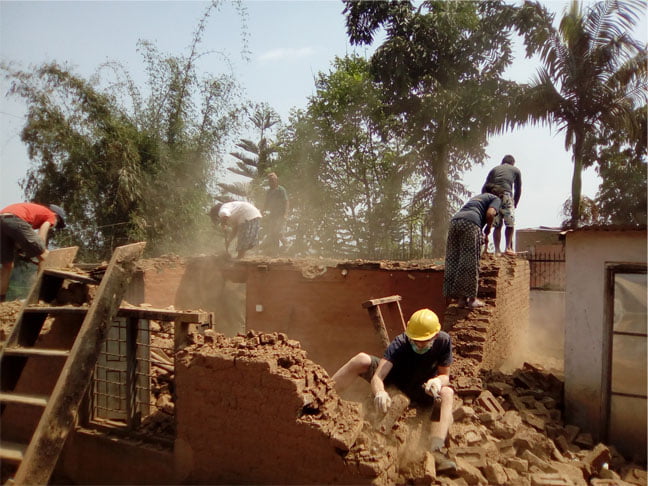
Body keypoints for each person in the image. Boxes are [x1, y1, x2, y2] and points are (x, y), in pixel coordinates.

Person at [331, 308, 457, 473]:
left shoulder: (443, 342)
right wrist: (380, 393)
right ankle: (324, 394)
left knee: (447, 393)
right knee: (361, 359)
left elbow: (445, 375)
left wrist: (436, 382)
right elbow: (378, 377)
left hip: (423, 389)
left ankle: (437, 451)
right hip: (395, 381)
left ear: (435, 336)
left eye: (423, 341)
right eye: (414, 340)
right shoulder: (401, 343)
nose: (418, 344)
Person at [443, 188, 502, 309]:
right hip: (471, 223)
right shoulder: (495, 199)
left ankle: (460, 299)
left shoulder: (478, 199)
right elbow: (490, 214)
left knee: (455, 259)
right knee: (470, 261)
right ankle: (472, 300)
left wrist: (481, 234)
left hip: (455, 222)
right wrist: (489, 228)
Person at [0, 202, 66, 302]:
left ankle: (1, 301)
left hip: (2, 219)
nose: (55, 226)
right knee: (45, 258)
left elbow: (14, 233)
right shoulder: (51, 215)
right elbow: (41, 236)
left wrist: (20, 249)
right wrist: (42, 251)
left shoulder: (36, 213)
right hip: (15, 219)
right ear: (57, 216)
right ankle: (41, 295)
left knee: (7, 265)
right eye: (58, 223)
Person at [481, 154, 521, 255]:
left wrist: (486, 202)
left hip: (494, 196)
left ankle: (497, 250)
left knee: (497, 225)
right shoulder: (515, 170)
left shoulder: (494, 169)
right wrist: (515, 202)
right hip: (506, 195)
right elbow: (518, 188)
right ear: (512, 163)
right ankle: (508, 248)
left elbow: (484, 187)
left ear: (502, 162)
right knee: (510, 223)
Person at [262, 172, 289, 256]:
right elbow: (266, 203)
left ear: (276, 181)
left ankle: (287, 245)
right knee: (273, 234)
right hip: (272, 216)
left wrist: (285, 214)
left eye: (273, 180)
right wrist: (262, 211)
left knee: (279, 232)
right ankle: (275, 252)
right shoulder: (269, 192)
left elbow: (286, 202)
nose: (271, 182)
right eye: (270, 180)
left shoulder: (281, 190)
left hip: (281, 215)